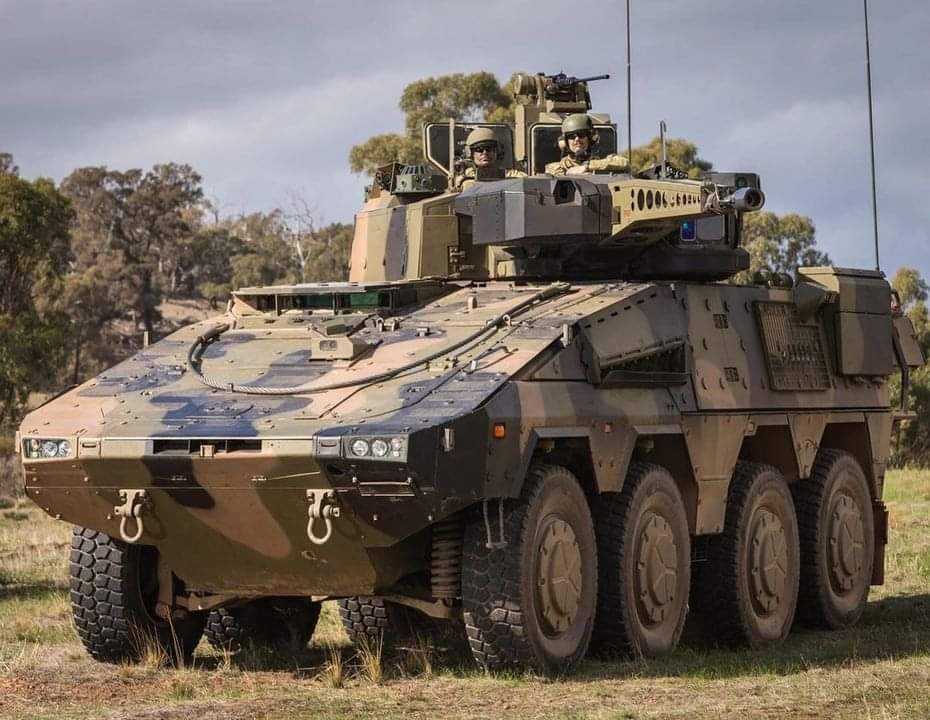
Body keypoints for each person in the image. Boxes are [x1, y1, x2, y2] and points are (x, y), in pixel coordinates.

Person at [545, 113, 629, 176]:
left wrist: (587, 166)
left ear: (590, 138)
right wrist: (569, 173)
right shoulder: (558, 167)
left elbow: (623, 162)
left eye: (581, 135)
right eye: (571, 136)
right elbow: (550, 170)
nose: (577, 139)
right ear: (566, 142)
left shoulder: (600, 161)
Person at [455, 127, 525, 189]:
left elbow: (527, 182)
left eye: (489, 148)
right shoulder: (465, 177)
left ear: (497, 152)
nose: (485, 153)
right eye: (479, 149)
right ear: (470, 153)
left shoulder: (511, 175)